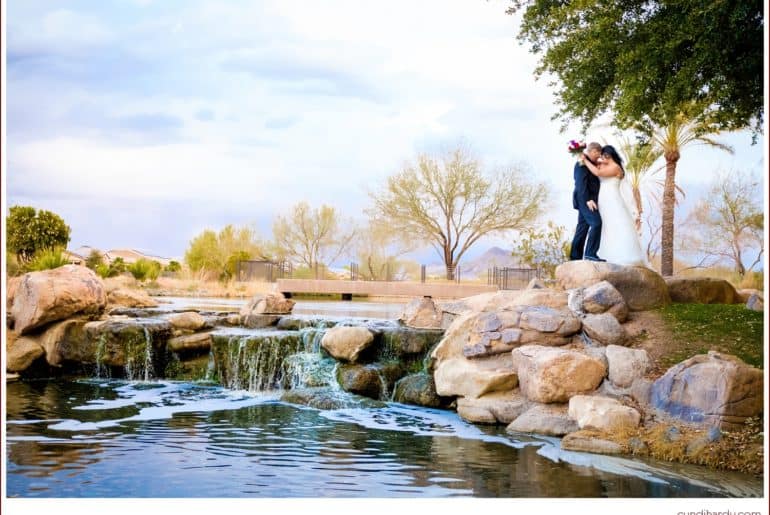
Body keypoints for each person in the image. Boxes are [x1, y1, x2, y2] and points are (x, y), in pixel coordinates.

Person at [582, 145, 648, 266]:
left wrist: (584, 160)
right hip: (603, 200)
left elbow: (597, 172)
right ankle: (600, 254)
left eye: (603, 155)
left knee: (617, 224)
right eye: (601, 156)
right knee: (605, 225)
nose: (601, 158)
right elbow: (595, 168)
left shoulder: (616, 168)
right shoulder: (604, 165)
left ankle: (623, 256)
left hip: (612, 199)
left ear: (609, 155)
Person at [569, 142, 605, 261]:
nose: (599, 156)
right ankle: (590, 253)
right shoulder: (581, 163)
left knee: (582, 228)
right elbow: (580, 184)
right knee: (596, 223)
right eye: (598, 153)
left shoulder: (591, 163)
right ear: (593, 151)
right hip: (584, 199)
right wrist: (588, 200)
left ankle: (575, 257)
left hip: (588, 200)